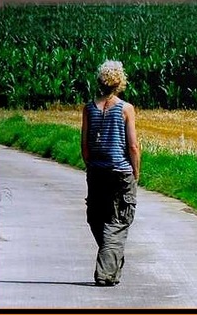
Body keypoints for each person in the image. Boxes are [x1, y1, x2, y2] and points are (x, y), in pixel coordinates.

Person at [80, 60, 141, 287]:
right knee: (118, 221)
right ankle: (105, 272)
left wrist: (91, 165)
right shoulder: (126, 109)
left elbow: (84, 145)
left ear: (100, 82)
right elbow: (133, 146)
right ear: (120, 83)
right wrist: (135, 171)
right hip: (120, 172)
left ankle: (111, 264)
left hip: (97, 171)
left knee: (97, 218)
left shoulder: (88, 109)